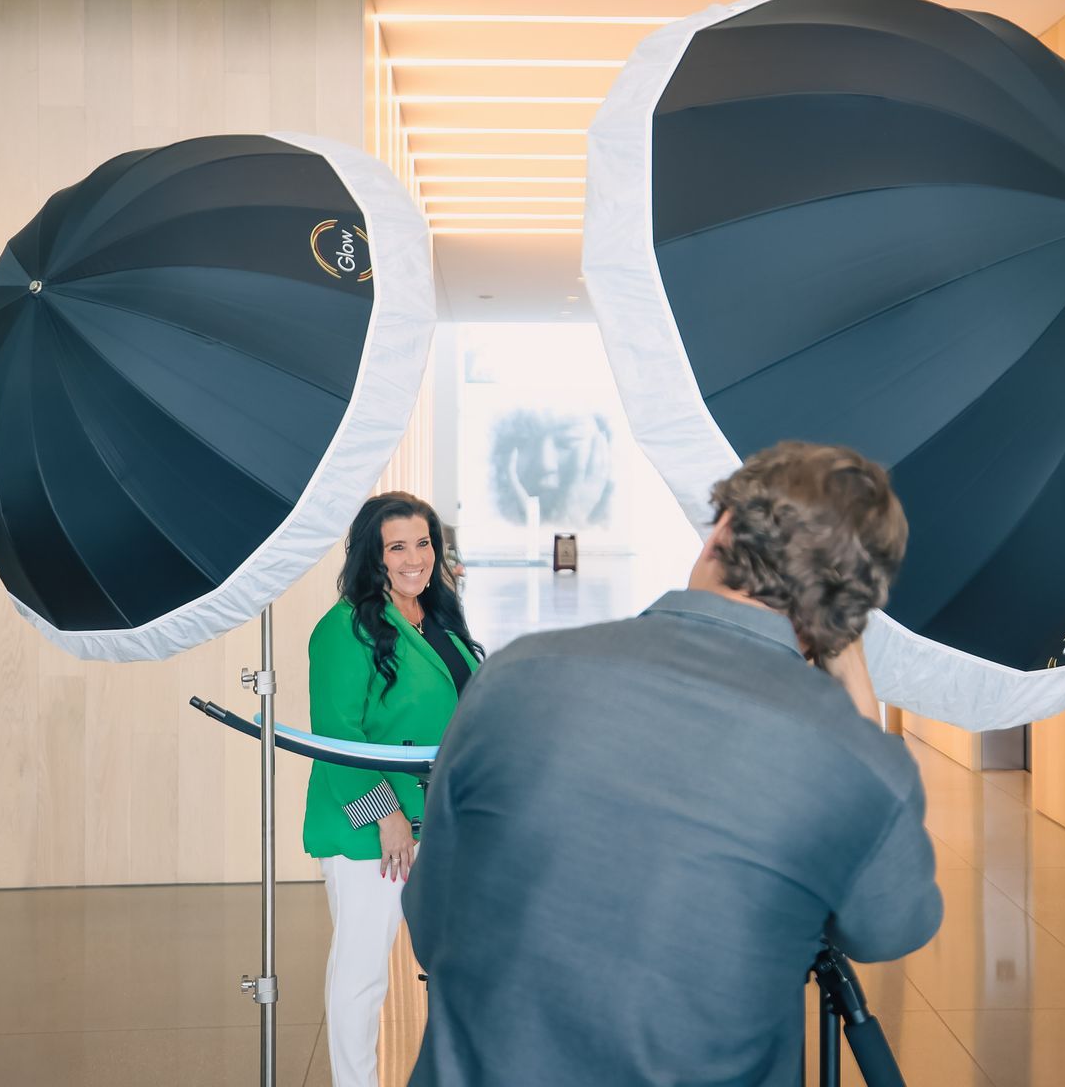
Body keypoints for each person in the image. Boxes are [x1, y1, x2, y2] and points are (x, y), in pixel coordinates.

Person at [402, 442, 941, 1086]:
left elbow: (432, 922)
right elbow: (890, 929)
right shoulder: (858, 760)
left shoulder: (517, 674)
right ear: (850, 608)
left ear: (723, 529)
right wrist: (847, 665)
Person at [305, 492, 484, 1087]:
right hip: (371, 830)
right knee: (362, 974)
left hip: (439, 823)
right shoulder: (343, 629)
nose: (415, 558)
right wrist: (384, 815)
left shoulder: (438, 621)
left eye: (424, 543)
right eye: (397, 547)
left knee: (454, 965)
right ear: (371, 557)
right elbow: (337, 736)